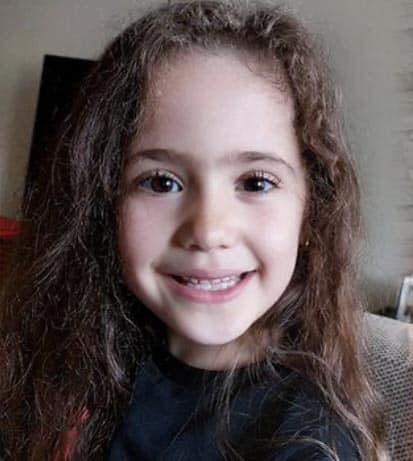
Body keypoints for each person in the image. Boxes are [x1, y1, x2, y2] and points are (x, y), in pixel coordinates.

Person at [0, 1, 389, 460]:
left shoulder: (312, 441)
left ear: (312, 213)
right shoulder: (81, 358)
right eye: (161, 182)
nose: (207, 229)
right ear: (104, 206)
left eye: (256, 182)